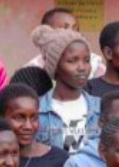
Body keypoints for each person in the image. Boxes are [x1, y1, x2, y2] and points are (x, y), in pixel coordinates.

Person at [32, 24, 99, 153]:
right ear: (55, 66)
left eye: (86, 60)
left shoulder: (101, 108)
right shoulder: (37, 111)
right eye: (72, 61)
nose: (82, 67)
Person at [25, 7, 107, 78]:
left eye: (75, 29)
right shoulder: (31, 70)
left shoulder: (95, 65)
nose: (72, 33)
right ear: (47, 33)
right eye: (65, 28)